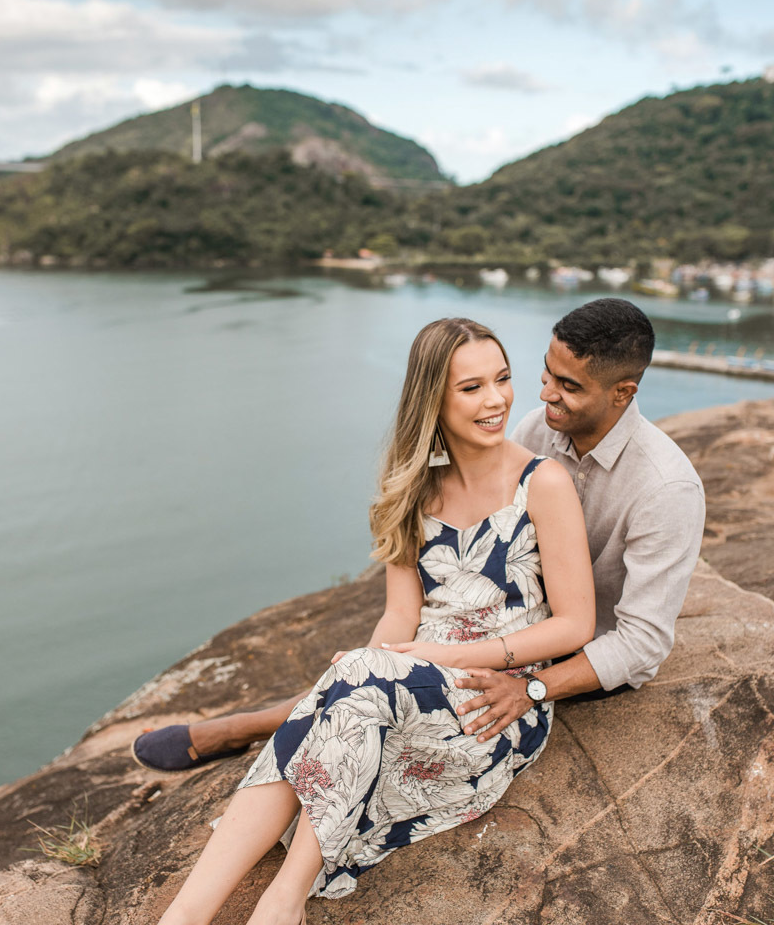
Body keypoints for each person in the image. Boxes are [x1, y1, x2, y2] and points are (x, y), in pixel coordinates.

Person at [70, 316, 594, 925]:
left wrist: (427, 661)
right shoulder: (412, 489)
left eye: (501, 379)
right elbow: (398, 616)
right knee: (345, 689)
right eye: (470, 386)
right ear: (432, 401)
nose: (495, 399)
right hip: (403, 679)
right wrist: (366, 665)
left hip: (492, 700)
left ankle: (280, 913)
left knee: (357, 688)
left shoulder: (544, 482)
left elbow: (572, 627)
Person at [132, 297, 705, 769]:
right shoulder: (537, 428)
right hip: (514, 620)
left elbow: (643, 643)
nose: (543, 395)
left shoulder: (665, 488)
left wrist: (533, 688)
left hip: (575, 653)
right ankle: (247, 729)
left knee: (391, 688)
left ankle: (242, 728)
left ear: (623, 393)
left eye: (569, 387)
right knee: (378, 667)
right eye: (546, 375)